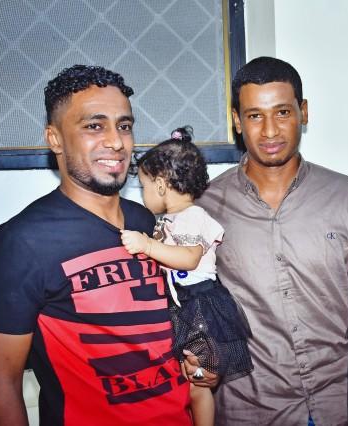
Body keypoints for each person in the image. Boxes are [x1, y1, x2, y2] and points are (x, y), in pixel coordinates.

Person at [0, 65, 208, 426]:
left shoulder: (148, 222)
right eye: (94, 126)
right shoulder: (22, 241)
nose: (116, 142)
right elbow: (0, 385)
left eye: (124, 126)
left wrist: (200, 362)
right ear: (55, 138)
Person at [196, 56, 348, 425]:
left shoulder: (347, 196)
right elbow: (189, 298)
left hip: (341, 402)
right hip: (251, 407)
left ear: (303, 112)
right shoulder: (206, 207)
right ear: (237, 121)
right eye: (255, 116)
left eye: (283, 112)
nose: (270, 130)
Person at [120, 126, 253, 426]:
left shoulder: (193, 216)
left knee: (198, 384)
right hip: (183, 304)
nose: (143, 195)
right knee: (188, 379)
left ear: (161, 185)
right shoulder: (170, 220)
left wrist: (148, 245)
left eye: (144, 187)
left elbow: (189, 258)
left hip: (199, 305)